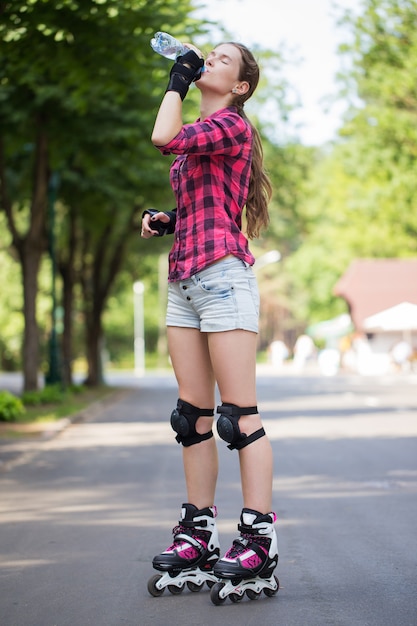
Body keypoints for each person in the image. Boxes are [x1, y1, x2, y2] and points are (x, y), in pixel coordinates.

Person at [142, 40, 279, 604]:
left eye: (223, 61)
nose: (210, 65)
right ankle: (198, 532)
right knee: (191, 416)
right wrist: (168, 218)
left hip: (223, 277)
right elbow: (209, 202)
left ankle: (258, 540)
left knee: (238, 417)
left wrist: (178, 76)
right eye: (209, 58)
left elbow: (164, 135)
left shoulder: (231, 126)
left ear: (240, 86)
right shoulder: (205, 137)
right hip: (184, 280)